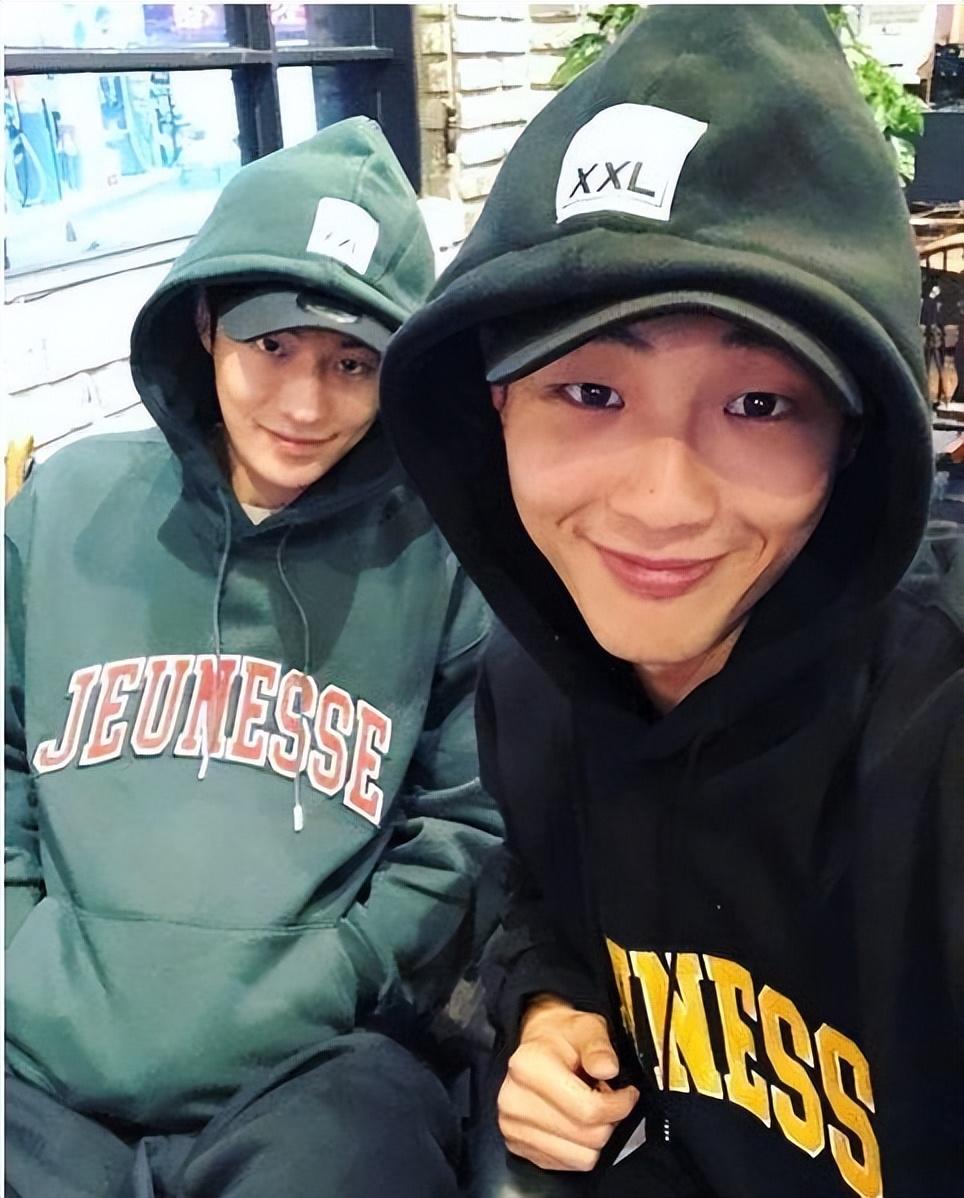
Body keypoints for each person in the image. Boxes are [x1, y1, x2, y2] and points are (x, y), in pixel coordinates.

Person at [379, 7, 964, 1197]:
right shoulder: (531, 681)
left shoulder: (932, 733)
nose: (660, 502)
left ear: (854, 439)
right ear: (492, 409)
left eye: (760, 406)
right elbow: (544, 890)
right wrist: (546, 1000)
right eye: (590, 392)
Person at [5, 117, 500, 1198]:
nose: (305, 405)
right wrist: (16, 948)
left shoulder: (447, 553)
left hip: (318, 1077)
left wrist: (346, 968)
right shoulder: (62, 507)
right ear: (206, 325)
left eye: (352, 363)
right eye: (272, 347)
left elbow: (466, 821)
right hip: (28, 1073)